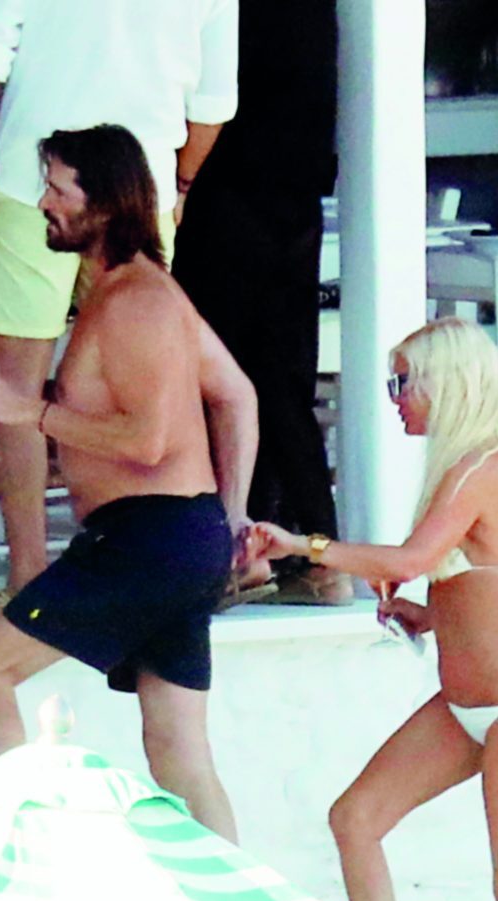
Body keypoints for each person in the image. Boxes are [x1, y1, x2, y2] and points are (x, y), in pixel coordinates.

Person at [0, 124, 259, 844]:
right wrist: (231, 518)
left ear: (106, 203)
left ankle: (23, 859)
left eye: (59, 190)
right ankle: (233, 899)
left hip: (147, 537)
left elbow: (149, 441)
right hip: (175, 537)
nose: (44, 203)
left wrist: (31, 412)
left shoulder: (138, 303)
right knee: (178, 750)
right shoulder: (140, 294)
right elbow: (237, 396)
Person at [254, 317, 498, 901]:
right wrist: (431, 615)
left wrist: (303, 545)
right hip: (466, 706)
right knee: (355, 820)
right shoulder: (468, 468)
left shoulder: (482, 468)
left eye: (403, 383)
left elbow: (411, 561)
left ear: (445, 385)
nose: (394, 398)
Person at [0, 0, 238, 627]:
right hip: (141, 188)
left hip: (32, 184)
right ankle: (139, 569)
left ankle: (28, 583)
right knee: (147, 389)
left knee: (14, 387)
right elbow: (213, 104)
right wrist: (180, 185)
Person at [172, 0, 352, 606]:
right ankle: (289, 552)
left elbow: (212, 92)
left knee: (229, 380)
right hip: (291, 192)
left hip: (229, 192)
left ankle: (261, 552)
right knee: (278, 379)